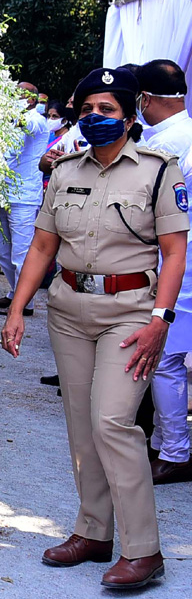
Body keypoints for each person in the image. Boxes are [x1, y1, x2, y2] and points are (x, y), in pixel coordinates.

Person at [1, 66, 186, 590]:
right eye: (87, 110)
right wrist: (17, 309)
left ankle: (144, 550)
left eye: (107, 110)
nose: (96, 118)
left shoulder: (157, 170)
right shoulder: (64, 171)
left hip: (131, 312)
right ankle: (93, 532)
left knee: (112, 421)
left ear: (130, 115)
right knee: (82, 428)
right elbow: (42, 246)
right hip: (68, 310)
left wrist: (160, 321)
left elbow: (174, 254)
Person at [135, 59, 192, 483]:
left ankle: (174, 452)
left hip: (180, 261)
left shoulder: (169, 146)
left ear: (146, 99)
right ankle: (164, 444)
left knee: (167, 358)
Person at [0, 82, 51, 314]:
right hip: (1, 194)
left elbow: (29, 125)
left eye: (18, 95)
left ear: (31, 100)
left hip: (24, 196)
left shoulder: (37, 120)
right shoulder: (8, 121)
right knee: (2, 252)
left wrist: (8, 112)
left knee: (21, 252)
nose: (13, 97)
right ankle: (16, 293)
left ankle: (25, 302)